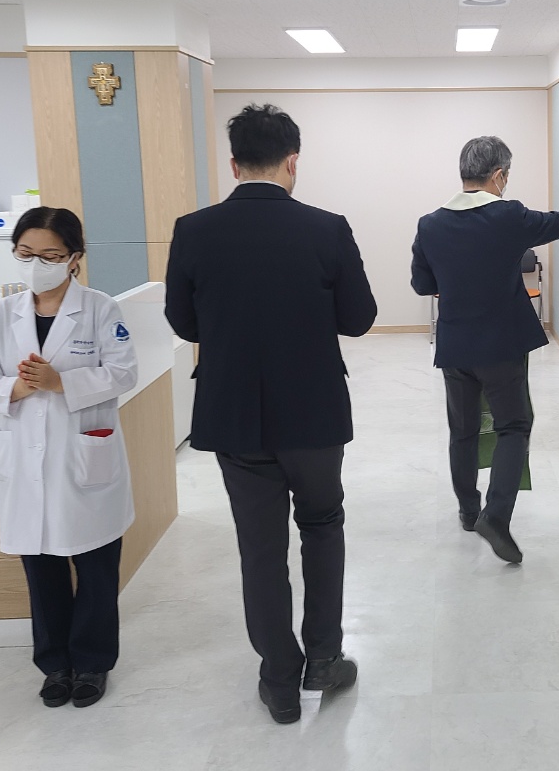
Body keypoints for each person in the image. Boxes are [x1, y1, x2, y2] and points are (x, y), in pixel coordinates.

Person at [164, 103, 377, 725]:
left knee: (260, 548)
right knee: (322, 525)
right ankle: (325, 659)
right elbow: (359, 319)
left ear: (233, 164)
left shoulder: (193, 230)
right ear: (293, 162)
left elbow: (183, 322)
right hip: (313, 413)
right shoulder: (327, 229)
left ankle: (279, 680)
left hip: (234, 415)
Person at [0, 207, 138, 709]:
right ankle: (55, 665)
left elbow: (123, 372)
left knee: (96, 568)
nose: (36, 264)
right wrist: (16, 388)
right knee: (41, 571)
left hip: (85, 456)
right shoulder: (3, 314)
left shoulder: (101, 309)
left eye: (50, 255)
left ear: (74, 258)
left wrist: (62, 382)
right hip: (26, 458)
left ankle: (93, 663)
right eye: (26, 253)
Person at [411, 135, 559, 564]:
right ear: (498, 175)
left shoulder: (430, 224)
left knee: (462, 430)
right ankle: (496, 517)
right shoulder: (507, 216)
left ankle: (469, 512)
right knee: (514, 426)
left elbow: (423, 284)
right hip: (501, 345)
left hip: (455, 346)